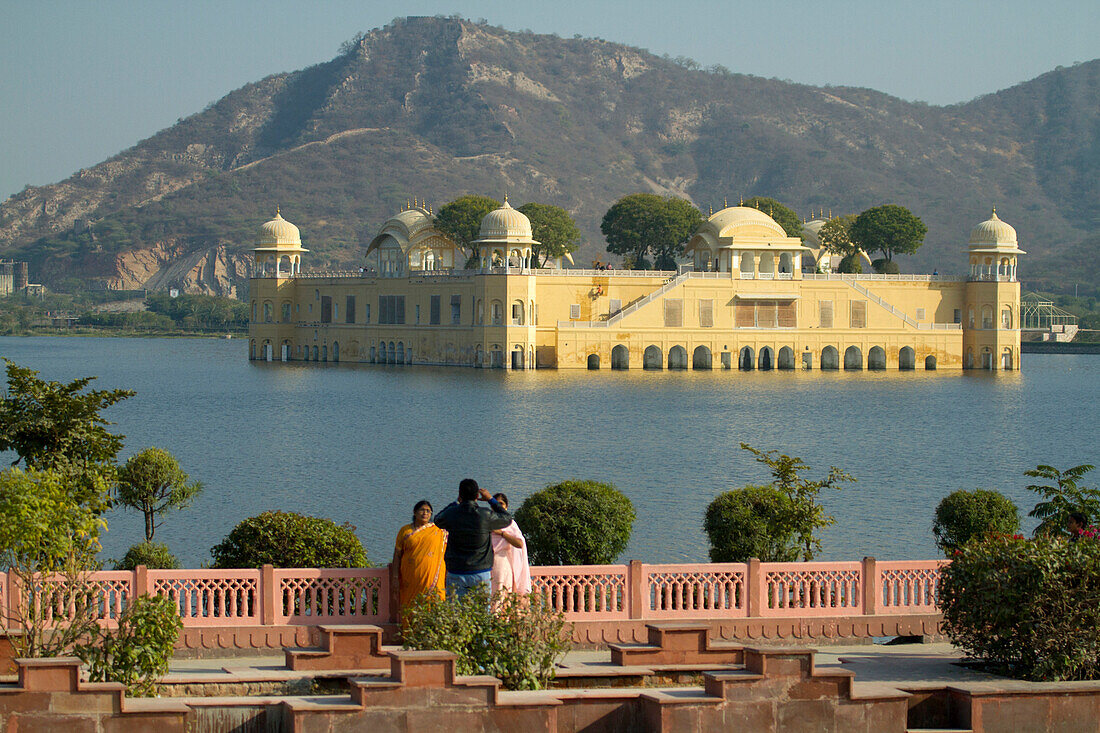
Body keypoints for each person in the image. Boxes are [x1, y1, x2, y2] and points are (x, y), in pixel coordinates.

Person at [433, 478, 512, 599]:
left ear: (460, 495)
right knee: (481, 612)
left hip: (456, 570)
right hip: (480, 571)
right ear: (477, 495)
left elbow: (437, 519)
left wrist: (456, 502)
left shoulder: (452, 514)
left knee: (456, 612)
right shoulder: (485, 515)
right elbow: (507, 518)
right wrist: (491, 500)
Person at [391, 500, 448, 612]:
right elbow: (397, 555)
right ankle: (409, 629)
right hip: (410, 577)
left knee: (434, 605)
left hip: (433, 578)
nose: (425, 513)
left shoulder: (438, 531)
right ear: (415, 512)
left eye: (428, 511)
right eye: (422, 510)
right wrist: (395, 577)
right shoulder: (405, 531)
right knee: (410, 607)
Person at [490, 493, 532, 596]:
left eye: (501, 503)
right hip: (486, 563)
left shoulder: (509, 523)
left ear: (506, 506)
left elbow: (519, 543)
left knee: (500, 596)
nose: (499, 506)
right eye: (496, 504)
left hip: (502, 562)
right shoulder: (487, 522)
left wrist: (502, 533)